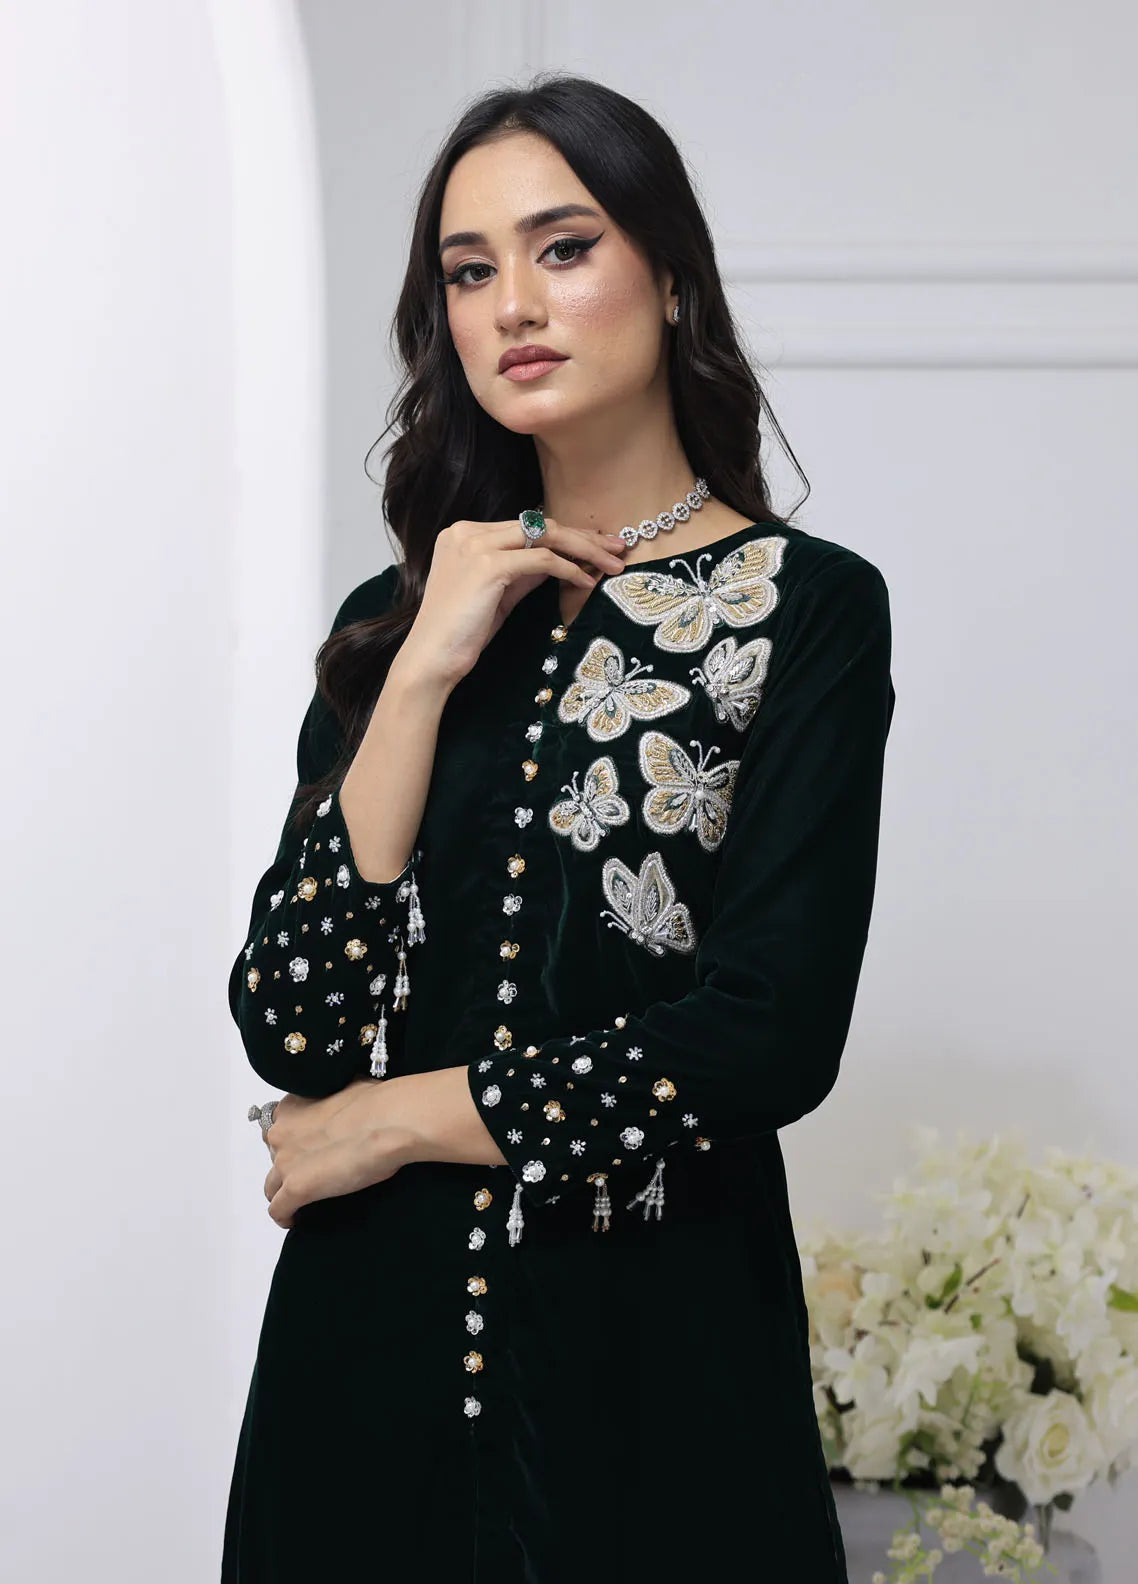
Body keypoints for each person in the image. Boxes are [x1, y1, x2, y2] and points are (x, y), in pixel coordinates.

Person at [221, 72, 895, 1584]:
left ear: (671, 276)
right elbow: (294, 1020)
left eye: (564, 248)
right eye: (469, 272)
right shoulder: (396, 622)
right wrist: (419, 670)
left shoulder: (808, 610)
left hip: (652, 1373)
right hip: (362, 1377)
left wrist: (393, 1120)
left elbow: (767, 1034)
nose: (514, 304)